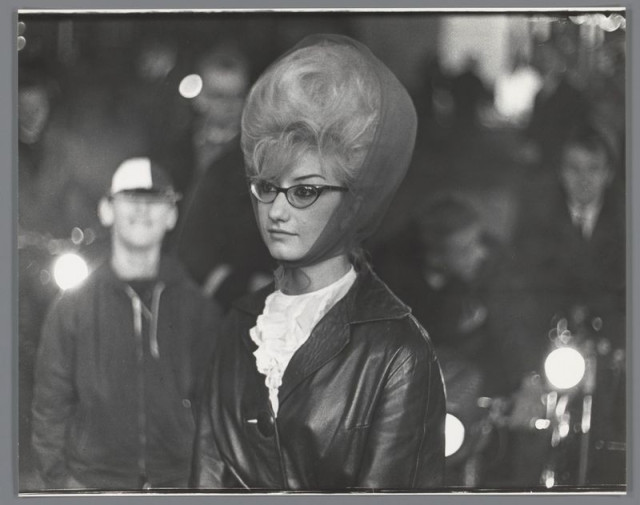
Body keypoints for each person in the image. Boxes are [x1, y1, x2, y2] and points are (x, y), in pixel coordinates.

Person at [194, 34, 446, 491]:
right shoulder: (240, 325)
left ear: (355, 202)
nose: (277, 210)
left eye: (305, 190)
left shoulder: (397, 352)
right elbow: (204, 481)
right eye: (267, 186)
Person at [31, 157, 220, 491]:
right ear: (107, 209)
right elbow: (50, 406)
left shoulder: (197, 308)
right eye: (131, 197)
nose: (143, 209)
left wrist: (204, 484)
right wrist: (63, 484)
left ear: (172, 214)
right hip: (93, 484)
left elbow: (215, 408)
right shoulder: (74, 307)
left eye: (155, 200)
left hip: (176, 485)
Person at [172, 44, 272, 311]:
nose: (229, 106)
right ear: (199, 97)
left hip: (226, 301)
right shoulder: (172, 152)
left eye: (237, 96)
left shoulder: (263, 162)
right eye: (218, 95)